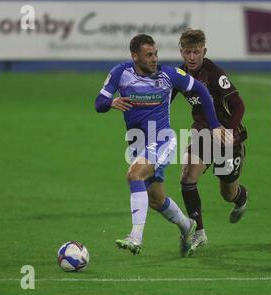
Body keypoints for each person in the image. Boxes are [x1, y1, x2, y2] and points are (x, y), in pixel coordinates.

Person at [94, 34, 230, 257]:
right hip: (137, 141)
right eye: (149, 55)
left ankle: (135, 237)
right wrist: (111, 102)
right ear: (135, 56)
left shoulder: (169, 74)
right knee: (156, 199)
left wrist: (215, 125)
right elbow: (99, 103)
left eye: (156, 53)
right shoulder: (121, 72)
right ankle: (187, 226)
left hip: (163, 140)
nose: (155, 58)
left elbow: (202, 91)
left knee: (134, 175)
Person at [172, 29, 249, 253]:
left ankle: (241, 198)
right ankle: (199, 232)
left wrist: (229, 130)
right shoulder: (180, 74)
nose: (192, 57)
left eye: (196, 52)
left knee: (227, 193)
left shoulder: (214, 74)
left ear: (204, 51)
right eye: (188, 52)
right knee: (187, 175)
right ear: (182, 52)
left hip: (227, 139)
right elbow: (165, 100)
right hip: (202, 133)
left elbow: (239, 105)